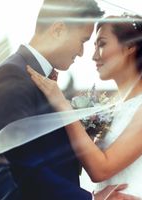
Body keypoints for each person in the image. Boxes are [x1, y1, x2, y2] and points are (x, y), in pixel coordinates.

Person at [0, 0, 135, 199]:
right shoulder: (12, 74)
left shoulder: (43, 80)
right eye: (83, 41)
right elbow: (26, 168)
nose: (81, 52)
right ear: (58, 30)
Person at [27, 13, 142, 198]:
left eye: (102, 44)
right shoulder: (111, 108)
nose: (94, 56)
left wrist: (62, 105)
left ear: (130, 46)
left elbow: (101, 169)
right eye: (94, 46)